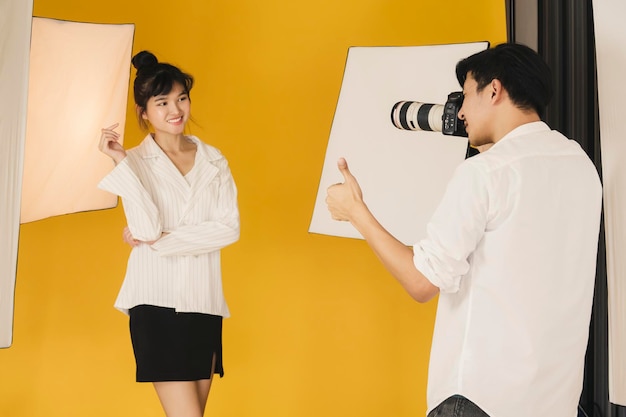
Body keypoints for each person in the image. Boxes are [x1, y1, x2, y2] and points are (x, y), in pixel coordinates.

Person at [326, 43, 602, 417]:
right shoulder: (581, 166)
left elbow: (422, 281)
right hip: (556, 403)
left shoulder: (485, 173)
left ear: (494, 90)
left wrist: (356, 212)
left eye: (466, 95)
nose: (460, 111)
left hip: (479, 400)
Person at [97, 50, 240, 417]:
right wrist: (120, 162)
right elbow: (144, 228)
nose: (176, 110)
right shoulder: (135, 162)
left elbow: (229, 229)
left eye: (181, 98)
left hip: (204, 301)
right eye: (162, 102)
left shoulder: (214, 160)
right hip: (156, 302)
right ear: (144, 112)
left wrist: (162, 241)